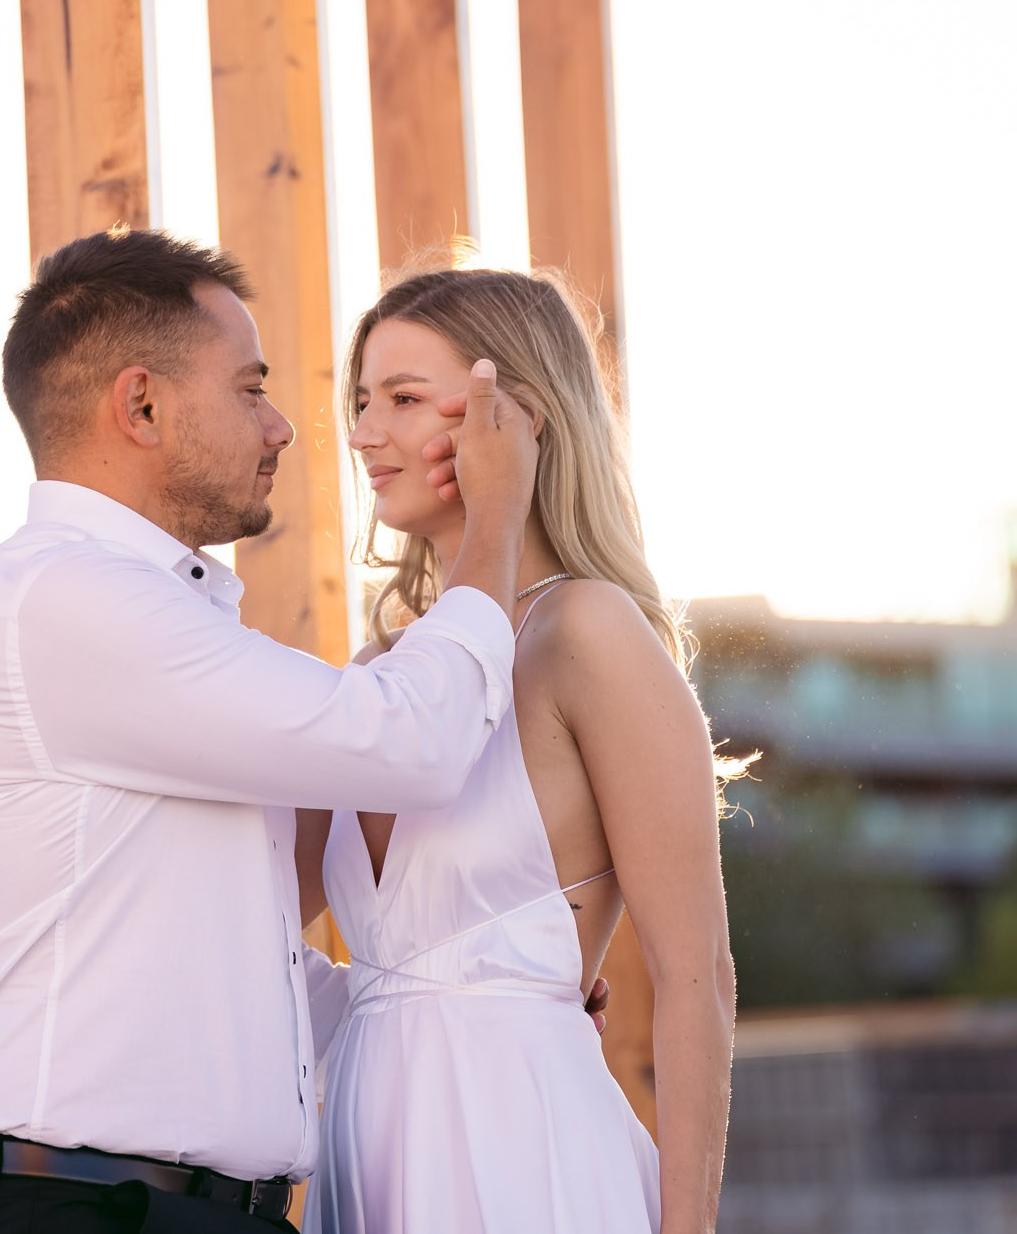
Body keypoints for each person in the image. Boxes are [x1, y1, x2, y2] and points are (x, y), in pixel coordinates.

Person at [0, 228, 542, 1232]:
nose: (282, 430)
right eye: (250, 389)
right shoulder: (64, 596)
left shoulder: (140, 613)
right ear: (140, 404)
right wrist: (495, 525)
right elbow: (406, 744)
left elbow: (219, 959)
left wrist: (470, 997)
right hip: (83, 1216)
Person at [299, 266, 737, 1234]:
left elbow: (694, 968)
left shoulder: (584, 631)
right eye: (361, 402)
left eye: (402, 399)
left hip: (529, 1163)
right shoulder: (381, 674)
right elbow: (251, 925)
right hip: (366, 1163)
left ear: (515, 419)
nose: (364, 434)